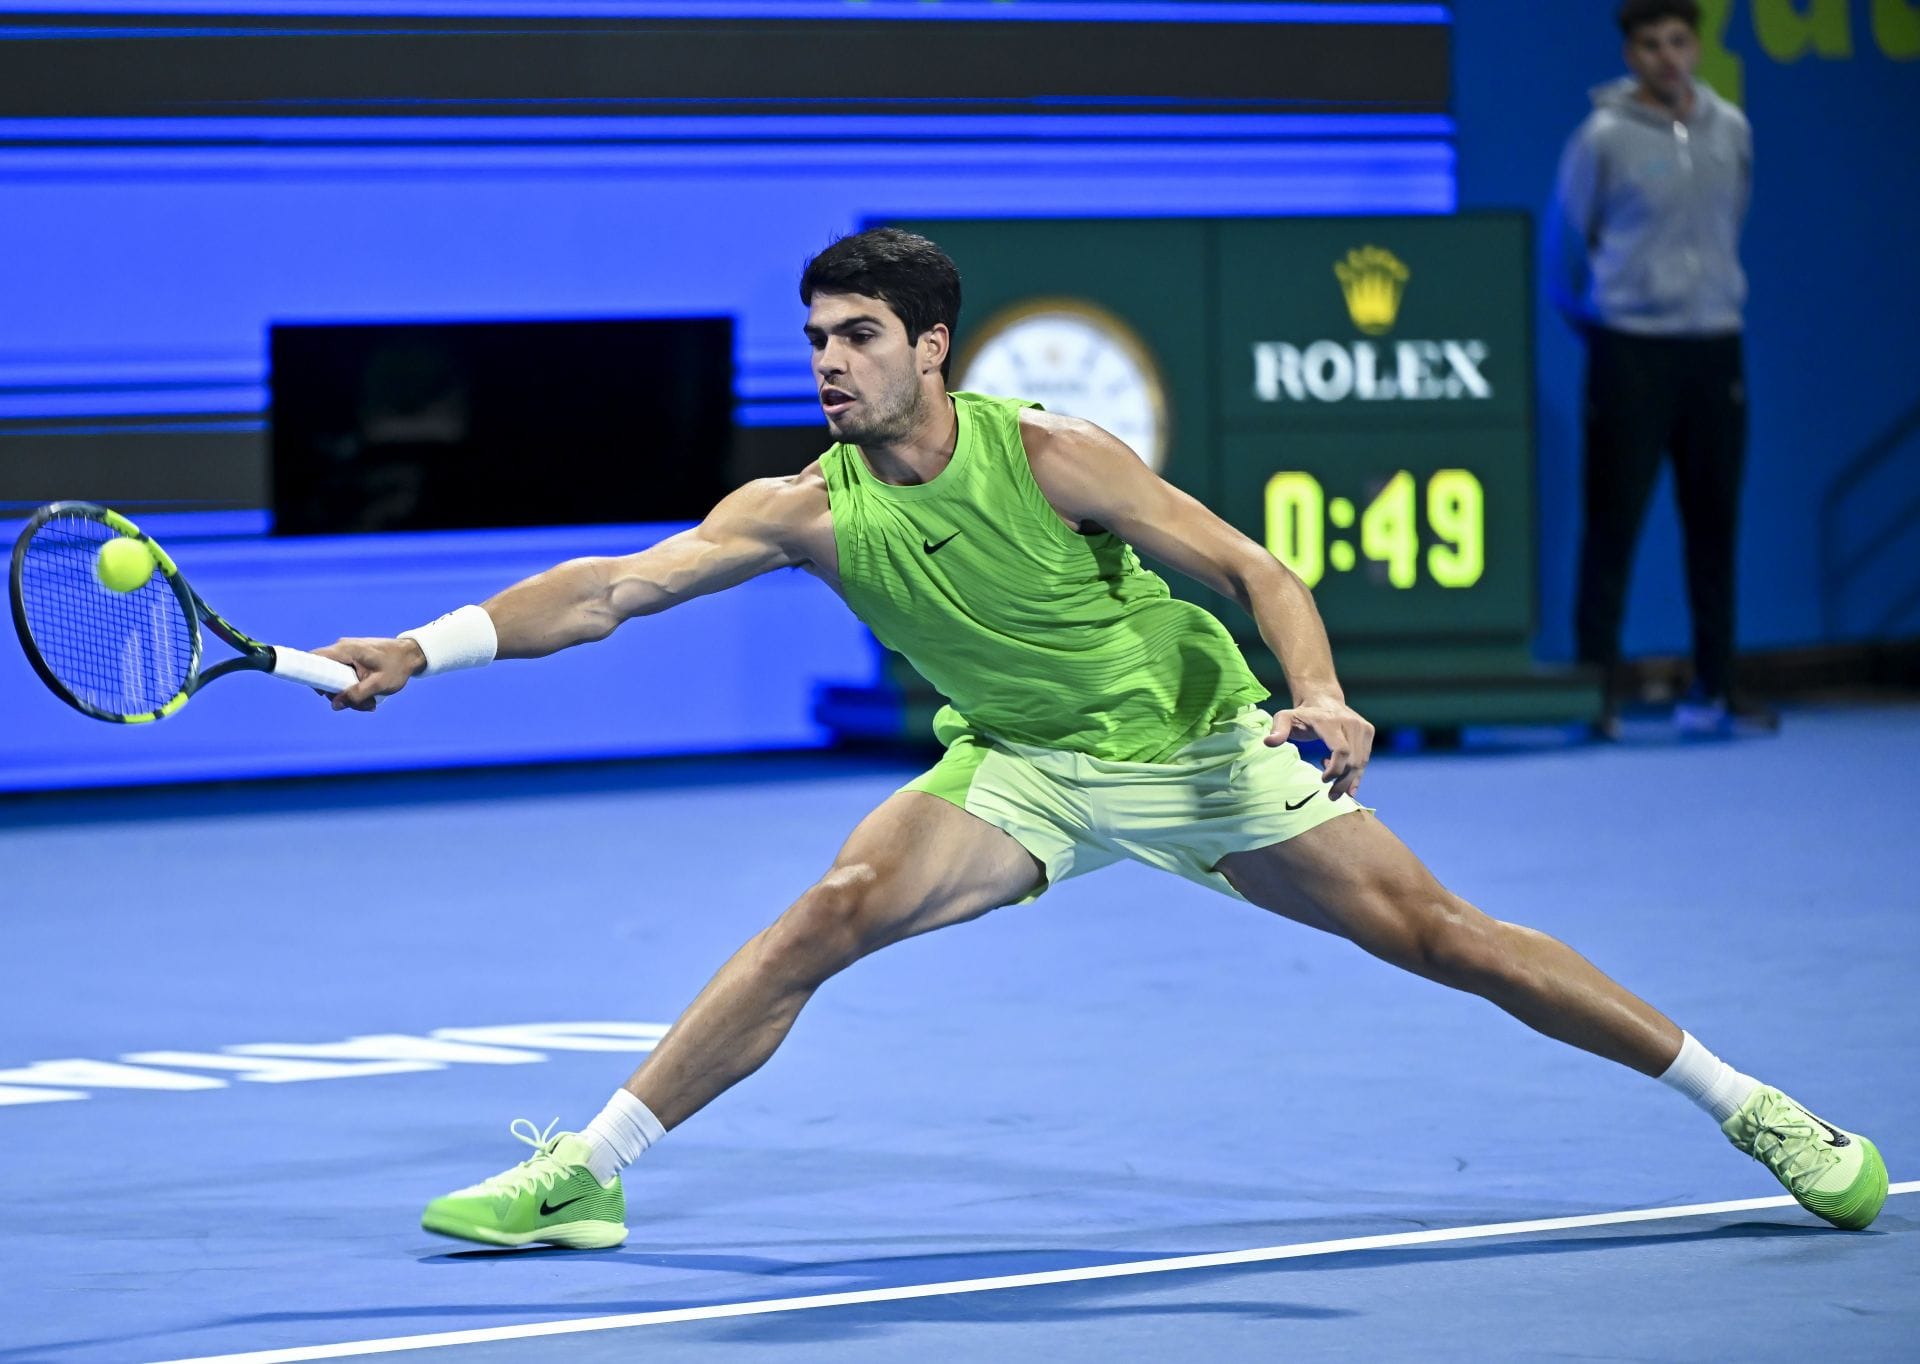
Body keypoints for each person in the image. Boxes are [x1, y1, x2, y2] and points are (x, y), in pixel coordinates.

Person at [318, 227, 1882, 1249]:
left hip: (1201, 749)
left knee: (1449, 939)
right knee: (831, 914)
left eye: (857, 334)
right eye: (814, 336)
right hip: (1020, 766)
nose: (827, 362)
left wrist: (1322, 695)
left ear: (934, 348)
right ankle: (588, 1168)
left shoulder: (1058, 457)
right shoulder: (802, 508)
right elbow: (606, 592)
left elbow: (1257, 571)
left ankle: (1754, 1106)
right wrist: (427, 647)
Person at [1547, 0, 1776, 739]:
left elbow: (1733, 219)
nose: (1667, 57)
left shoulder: (1732, 129)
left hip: (1714, 346)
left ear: (1696, 46)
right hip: (1628, 349)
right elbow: (1564, 251)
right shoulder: (1602, 137)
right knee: (1611, 524)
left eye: (1679, 41)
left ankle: (1716, 686)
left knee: (1716, 522)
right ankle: (1598, 695)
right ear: (1631, 53)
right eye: (1650, 45)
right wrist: (1611, 322)